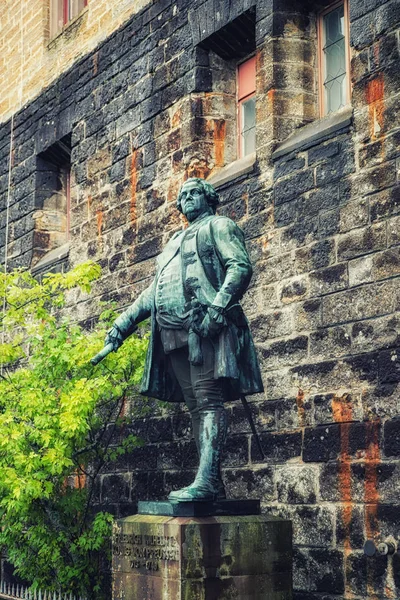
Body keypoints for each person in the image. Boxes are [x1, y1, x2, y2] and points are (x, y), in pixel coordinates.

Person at [104, 178, 263, 501]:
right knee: (195, 409)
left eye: (194, 193)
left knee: (208, 403)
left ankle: (205, 480)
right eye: (183, 196)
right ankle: (211, 482)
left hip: (204, 328)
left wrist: (217, 309)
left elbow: (239, 267)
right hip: (171, 334)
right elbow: (153, 292)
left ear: (208, 198)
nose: (188, 199)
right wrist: (121, 326)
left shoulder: (219, 225)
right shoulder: (173, 242)